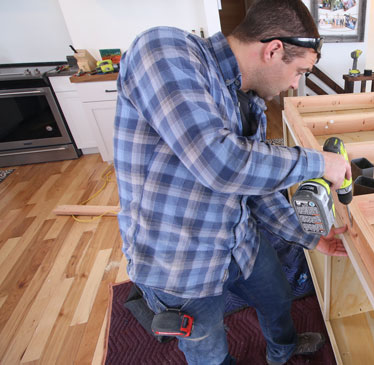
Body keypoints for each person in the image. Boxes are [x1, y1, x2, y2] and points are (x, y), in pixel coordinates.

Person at [113, 0, 351, 363]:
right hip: (179, 261)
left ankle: (283, 349)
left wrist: (310, 237)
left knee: (277, 297)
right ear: (273, 50)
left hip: (239, 240)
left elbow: (254, 184)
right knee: (207, 348)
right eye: (299, 70)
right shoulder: (163, 50)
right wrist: (320, 163)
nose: (295, 83)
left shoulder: (248, 101)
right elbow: (221, 164)